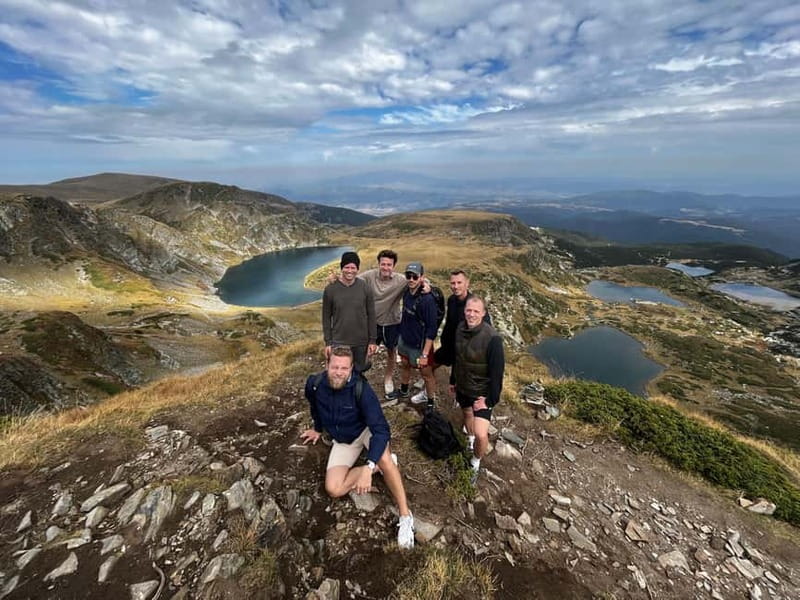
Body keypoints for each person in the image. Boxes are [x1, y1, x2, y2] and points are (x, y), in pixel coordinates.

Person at [301, 346, 415, 549]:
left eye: (344, 368)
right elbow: (314, 407)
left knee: (385, 459)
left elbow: (381, 430)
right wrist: (317, 429)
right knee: (334, 489)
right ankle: (371, 469)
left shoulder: (361, 389)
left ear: (351, 368)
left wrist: (370, 465)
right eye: (335, 366)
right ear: (327, 365)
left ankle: (406, 515)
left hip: (365, 432)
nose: (338, 372)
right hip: (343, 441)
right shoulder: (315, 384)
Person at [451, 295, 504, 485]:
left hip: (481, 392)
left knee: (483, 434)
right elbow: (458, 358)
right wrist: (453, 380)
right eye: (468, 310)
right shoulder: (460, 329)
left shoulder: (493, 339)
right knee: (467, 414)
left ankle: (475, 461)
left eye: (476, 311)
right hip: (463, 385)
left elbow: (498, 374)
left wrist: (489, 401)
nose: (471, 314)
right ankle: (470, 440)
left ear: (483, 313)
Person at [357, 250, 407, 399]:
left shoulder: (401, 280)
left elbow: (417, 281)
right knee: (367, 350)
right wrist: (336, 280)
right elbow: (352, 279)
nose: (386, 267)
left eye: (389, 265)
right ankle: (357, 376)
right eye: (383, 264)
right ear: (379, 264)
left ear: (394, 266)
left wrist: (427, 285)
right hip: (373, 322)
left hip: (392, 323)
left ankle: (388, 379)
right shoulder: (370, 276)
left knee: (392, 352)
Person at [322, 251, 377, 372]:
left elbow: (371, 315)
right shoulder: (330, 289)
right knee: (340, 372)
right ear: (342, 268)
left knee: (359, 371)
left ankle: (357, 390)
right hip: (339, 341)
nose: (350, 270)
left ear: (357, 269)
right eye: (346, 267)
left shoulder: (365, 288)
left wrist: (373, 340)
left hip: (361, 341)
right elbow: (326, 318)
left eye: (353, 267)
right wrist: (328, 342)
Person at [397, 262, 438, 405]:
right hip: (405, 340)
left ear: (421, 277)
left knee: (426, 374)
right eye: (408, 276)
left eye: (415, 276)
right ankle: (403, 390)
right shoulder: (407, 292)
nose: (411, 279)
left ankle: (430, 401)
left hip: (419, 346)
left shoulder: (427, 300)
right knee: (405, 364)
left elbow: (432, 330)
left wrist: (425, 354)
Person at [433, 269, 491, 372]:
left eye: (459, 283)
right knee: (431, 364)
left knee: (456, 381)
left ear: (467, 283)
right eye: (453, 283)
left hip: (465, 353)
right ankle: (427, 382)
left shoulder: (474, 305)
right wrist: (444, 341)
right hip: (449, 346)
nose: (455, 286)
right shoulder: (451, 300)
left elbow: (486, 330)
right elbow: (449, 323)